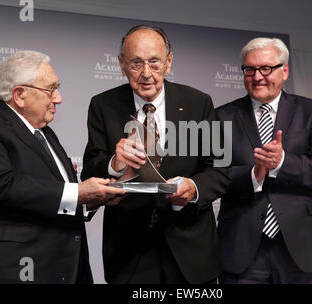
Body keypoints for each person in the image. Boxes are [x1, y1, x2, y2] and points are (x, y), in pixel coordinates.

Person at [0, 50, 125, 283]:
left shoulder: (45, 133)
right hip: (12, 270)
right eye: (50, 89)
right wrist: (78, 192)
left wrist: (90, 200)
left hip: (65, 269)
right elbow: (1, 185)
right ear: (20, 94)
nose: (58, 98)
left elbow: (55, 197)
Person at [81, 25, 230, 284]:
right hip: (129, 255)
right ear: (121, 64)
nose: (146, 74)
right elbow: (90, 172)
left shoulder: (198, 102)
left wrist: (193, 188)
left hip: (192, 252)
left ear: (169, 62)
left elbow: (219, 169)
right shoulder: (102, 105)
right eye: (136, 63)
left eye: (154, 62)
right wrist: (115, 163)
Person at [216, 37, 312, 283]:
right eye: (249, 69)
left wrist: (282, 162)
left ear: (285, 71)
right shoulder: (221, 116)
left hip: (303, 244)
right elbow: (214, 177)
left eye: (266, 68)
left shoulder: (311, 111)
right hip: (242, 246)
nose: (257, 76)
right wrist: (254, 174)